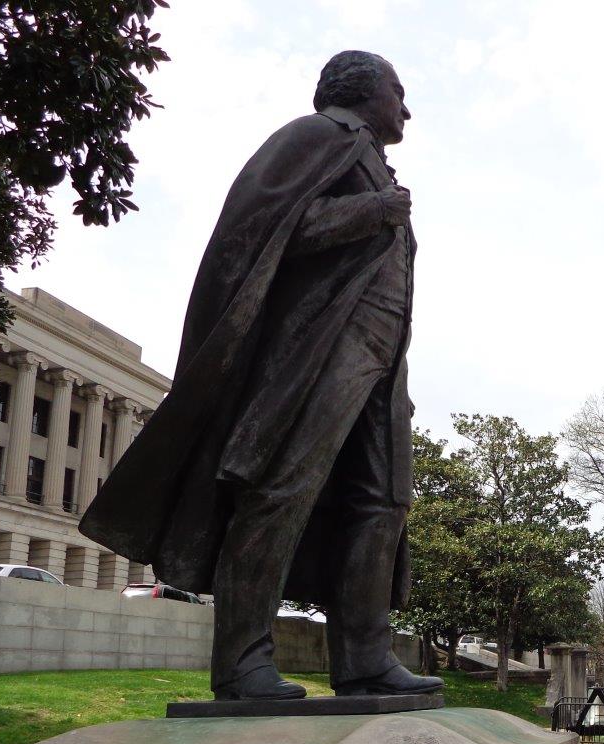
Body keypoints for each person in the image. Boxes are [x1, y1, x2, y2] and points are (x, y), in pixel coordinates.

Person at [81, 51, 443, 702]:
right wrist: (375, 212)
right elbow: (261, 232)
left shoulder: (366, 156)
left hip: (383, 358)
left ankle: (365, 660)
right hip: (321, 347)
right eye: (399, 91)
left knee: (384, 500)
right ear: (362, 90)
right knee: (282, 485)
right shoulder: (314, 136)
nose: (406, 109)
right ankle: (243, 663)